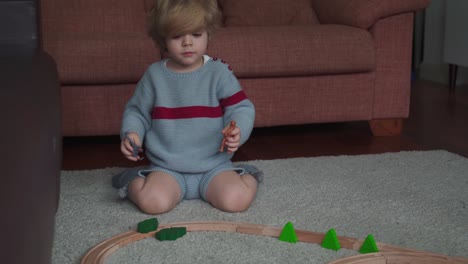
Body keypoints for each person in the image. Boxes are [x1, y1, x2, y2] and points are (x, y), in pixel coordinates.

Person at [112, 0, 263, 215]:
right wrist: (132, 134)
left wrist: (237, 128)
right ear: (162, 39)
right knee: (153, 203)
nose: (187, 43)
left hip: (214, 166)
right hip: (167, 167)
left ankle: (246, 175)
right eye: (177, 36)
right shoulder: (154, 75)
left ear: (208, 33)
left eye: (196, 34)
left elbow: (241, 107)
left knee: (236, 201)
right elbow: (137, 112)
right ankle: (133, 179)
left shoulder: (218, 72)